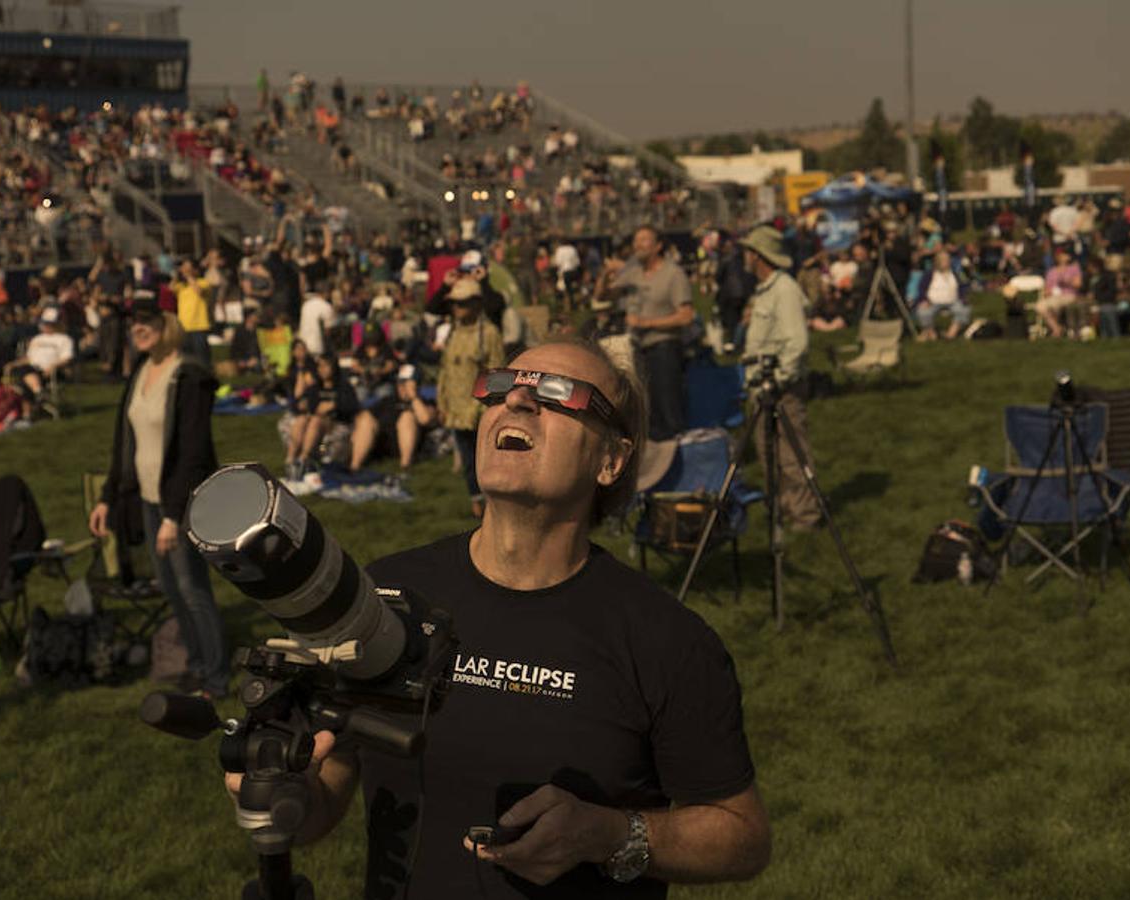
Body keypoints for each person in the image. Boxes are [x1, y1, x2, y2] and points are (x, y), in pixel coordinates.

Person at [225, 337, 771, 898]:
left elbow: (744, 836)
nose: (518, 402)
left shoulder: (666, 640)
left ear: (611, 460)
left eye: (559, 393)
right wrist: (284, 792)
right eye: (502, 386)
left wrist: (609, 834)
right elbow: (327, 791)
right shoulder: (386, 594)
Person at [88, 296, 228, 698]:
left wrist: (172, 515)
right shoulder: (141, 372)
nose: (137, 328)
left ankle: (216, 678)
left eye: (147, 320)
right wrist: (106, 498)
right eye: (133, 322)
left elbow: (193, 454)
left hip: (180, 502)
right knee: (169, 587)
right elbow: (124, 443)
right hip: (148, 501)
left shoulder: (190, 377)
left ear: (168, 324)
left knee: (191, 587)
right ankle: (197, 665)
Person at [739, 225, 820, 531]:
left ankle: (804, 516)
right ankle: (784, 510)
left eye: (749, 251)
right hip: (764, 388)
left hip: (780, 388)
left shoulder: (784, 289)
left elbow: (797, 342)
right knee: (769, 452)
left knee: (791, 453)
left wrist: (781, 377)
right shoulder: (766, 289)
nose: (745, 257)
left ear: (759, 256)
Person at [596, 226, 693, 440]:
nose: (637, 245)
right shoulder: (633, 272)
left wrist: (646, 322)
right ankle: (656, 463)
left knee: (668, 410)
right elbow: (602, 296)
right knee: (646, 412)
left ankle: (679, 458)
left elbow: (686, 316)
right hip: (637, 350)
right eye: (636, 240)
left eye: (644, 240)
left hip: (664, 348)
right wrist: (606, 273)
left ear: (658, 246)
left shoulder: (673, 274)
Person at [438, 277, 505, 518]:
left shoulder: (489, 334)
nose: (457, 308)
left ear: (477, 304)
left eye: (462, 303)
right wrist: (442, 402)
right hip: (455, 409)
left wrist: (481, 408)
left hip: (478, 410)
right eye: (454, 304)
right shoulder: (452, 332)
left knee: (488, 460)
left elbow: (496, 375)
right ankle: (476, 502)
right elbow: (445, 369)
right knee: (467, 460)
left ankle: (496, 505)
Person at [913, 250, 972, 341]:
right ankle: (930, 332)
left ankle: (951, 333)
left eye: (947, 260)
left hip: (953, 301)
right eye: (943, 260)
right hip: (932, 301)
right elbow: (922, 288)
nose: (946, 262)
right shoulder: (929, 274)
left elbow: (963, 286)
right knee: (923, 311)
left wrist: (963, 297)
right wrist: (923, 299)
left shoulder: (955, 273)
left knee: (964, 310)